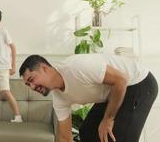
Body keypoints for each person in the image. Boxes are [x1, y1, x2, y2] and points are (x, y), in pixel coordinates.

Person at [19, 54, 158, 142]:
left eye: (32, 79)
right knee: (88, 132)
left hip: (138, 83)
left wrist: (108, 119)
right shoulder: (59, 98)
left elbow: (121, 80)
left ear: (45, 68)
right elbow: (65, 137)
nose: (32, 87)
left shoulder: (77, 67)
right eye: (28, 84)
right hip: (113, 93)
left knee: (117, 138)